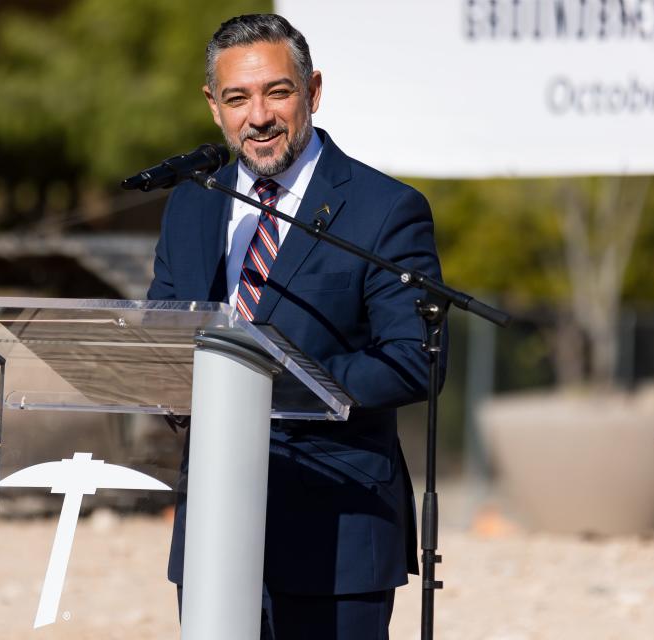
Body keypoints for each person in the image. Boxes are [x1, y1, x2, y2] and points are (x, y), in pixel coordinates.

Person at [147, 13, 444, 640]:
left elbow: (417, 359)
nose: (258, 116)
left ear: (311, 90)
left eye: (276, 92)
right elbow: (166, 332)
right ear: (213, 106)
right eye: (237, 98)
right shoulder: (193, 201)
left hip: (337, 528)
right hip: (212, 528)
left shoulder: (384, 208)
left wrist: (275, 385)